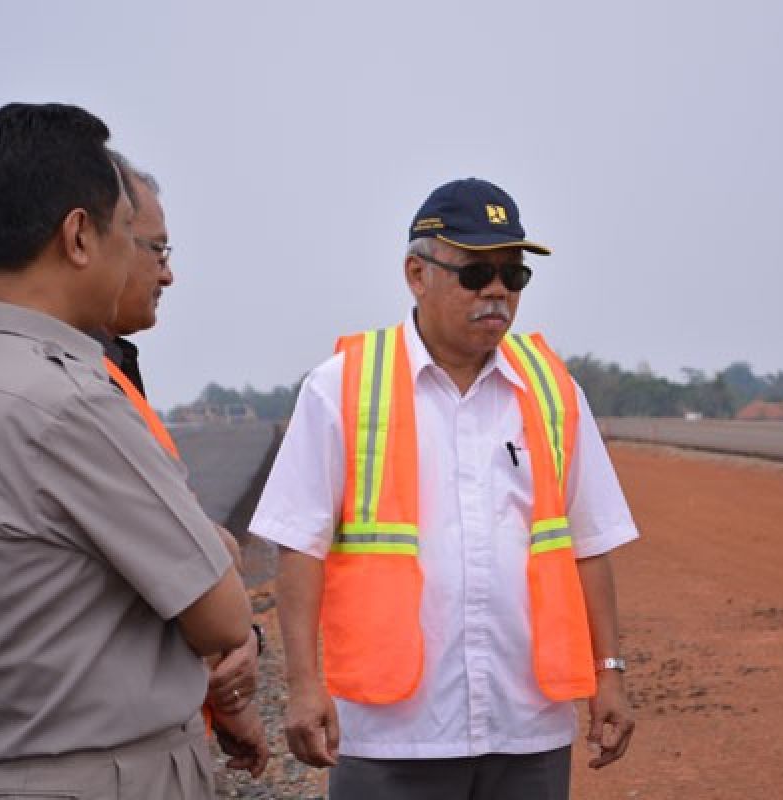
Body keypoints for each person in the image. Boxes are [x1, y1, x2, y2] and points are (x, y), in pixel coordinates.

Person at [250, 177, 638, 799]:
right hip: (392, 733)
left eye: (513, 276)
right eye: (475, 273)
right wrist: (302, 683)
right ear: (415, 273)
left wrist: (610, 673)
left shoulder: (554, 392)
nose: (496, 293)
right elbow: (299, 544)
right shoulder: (341, 386)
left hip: (527, 726)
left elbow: (589, 543)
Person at [0, 102, 251, 800]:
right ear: (79, 237)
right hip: (112, 776)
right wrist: (217, 551)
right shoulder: (68, 401)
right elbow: (223, 611)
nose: (139, 257)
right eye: (130, 231)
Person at [99, 153, 269, 775]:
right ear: (88, 239)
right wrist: (242, 642)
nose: (167, 276)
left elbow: (196, 546)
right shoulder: (79, 396)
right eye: (158, 251)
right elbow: (202, 569)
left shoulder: (112, 369)